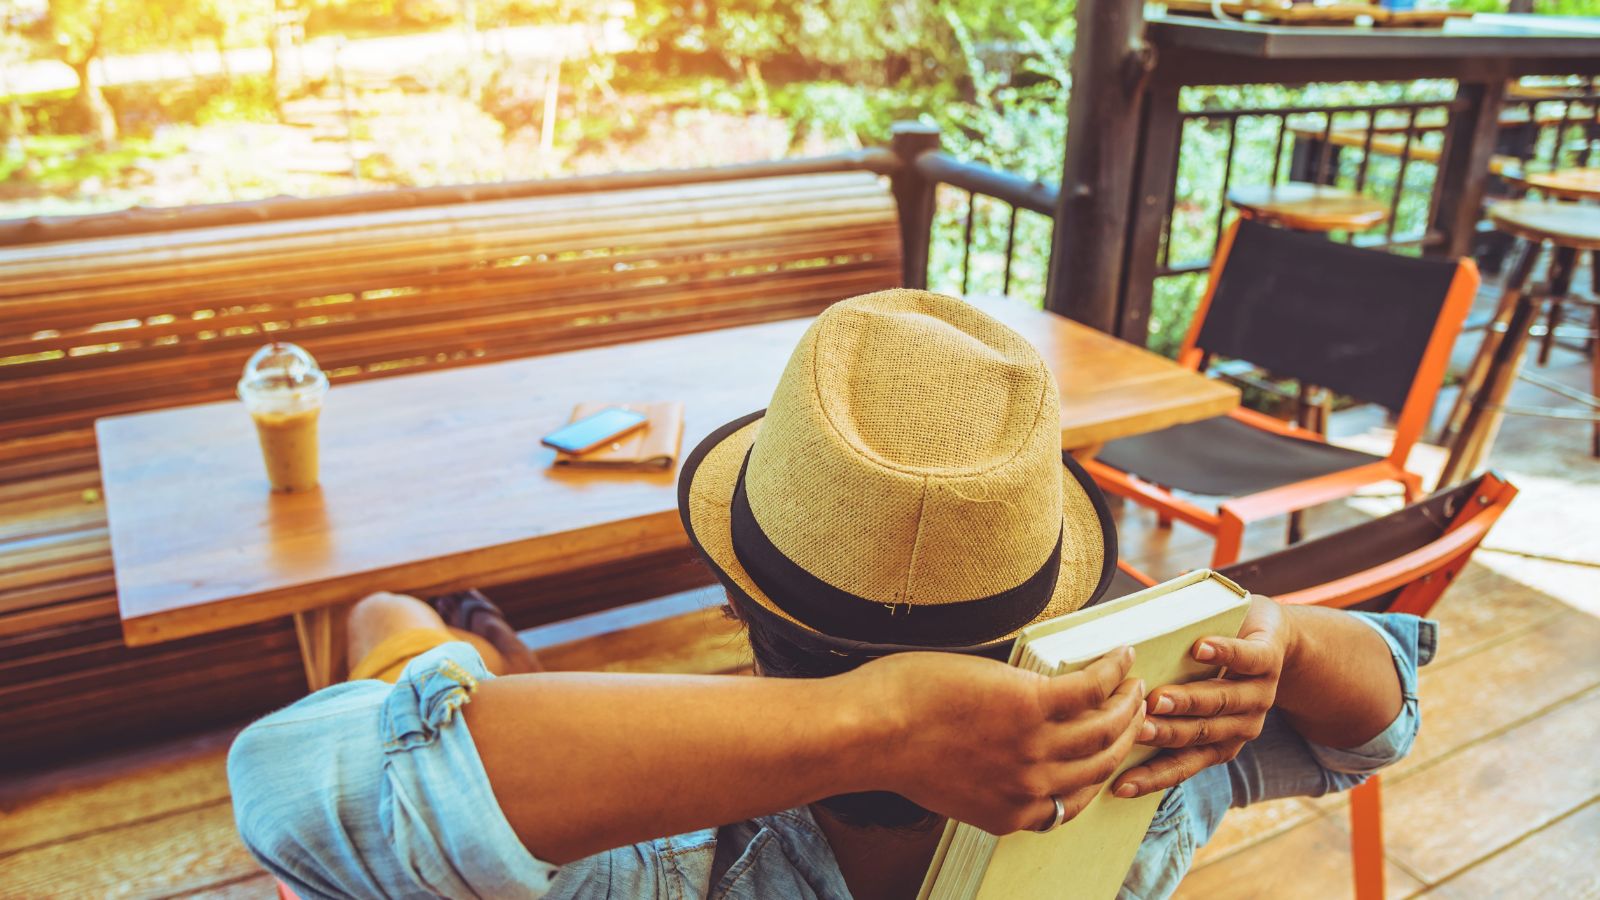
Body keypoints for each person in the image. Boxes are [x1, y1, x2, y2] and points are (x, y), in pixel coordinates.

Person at [229, 290, 1433, 900]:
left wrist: (882, 719)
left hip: (558, 739)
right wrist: (1281, 638)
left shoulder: (643, 861)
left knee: (390, 625)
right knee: (426, 646)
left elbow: (287, 783)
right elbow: (1381, 715)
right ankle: (484, 659)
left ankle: (478, 659)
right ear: (1048, 611)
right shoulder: (1134, 780)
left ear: (739, 609)